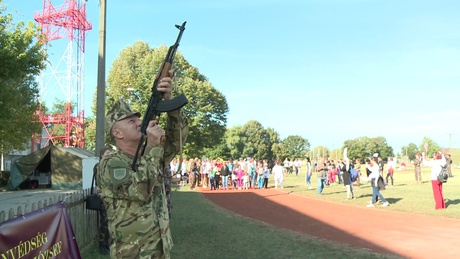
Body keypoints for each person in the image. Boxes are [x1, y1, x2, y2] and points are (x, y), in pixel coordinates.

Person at [97, 73, 189, 258]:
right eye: (132, 121)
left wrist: (170, 103)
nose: (139, 123)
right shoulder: (111, 163)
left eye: (138, 119)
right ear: (117, 133)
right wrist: (154, 146)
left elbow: (178, 140)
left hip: (159, 251)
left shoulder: (148, 156)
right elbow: (140, 191)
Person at [94, 146, 112, 255]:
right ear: (101, 155)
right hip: (105, 198)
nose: (108, 156)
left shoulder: (112, 165)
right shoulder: (98, 166)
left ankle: (107, 243)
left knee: (110, 222)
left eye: (110, 153)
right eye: (106, 154)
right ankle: (101, 244)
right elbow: (99, 182)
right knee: (104, 222)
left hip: (113, 199)